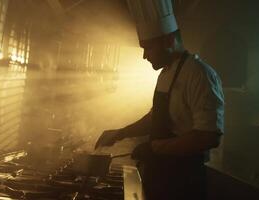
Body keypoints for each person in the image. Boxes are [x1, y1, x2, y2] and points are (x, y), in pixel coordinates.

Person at [95, 0, 224, 199]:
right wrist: (121, 133)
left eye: (148, 48)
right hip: (159, 176)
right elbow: (156, 117)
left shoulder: (199, 74)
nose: (145, 56)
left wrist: (155, 147)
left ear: (169, 41)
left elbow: (208, 136)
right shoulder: (165, 73)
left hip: (183, 182)